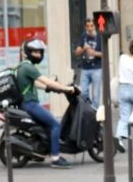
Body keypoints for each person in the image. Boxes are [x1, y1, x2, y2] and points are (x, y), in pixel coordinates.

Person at [15, 39, 77, 169]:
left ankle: (49, 148)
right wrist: (66, 88)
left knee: (48, 125)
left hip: (27, 103)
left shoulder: (22, 66)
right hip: (30, 104)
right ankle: (55, 158)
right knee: (55, 124)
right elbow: (46, 81)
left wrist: (51, 88)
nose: (38, 55)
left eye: (39, 52)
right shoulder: (28, 67)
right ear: (28, 52)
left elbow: (36, 84)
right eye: (35, 52)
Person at [73, 18, 102, 109]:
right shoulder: (83, 37)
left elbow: (104, 54)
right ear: (85, 27)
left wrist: (94, 53)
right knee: (83, 92)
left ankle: (95, 112)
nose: (90, 28)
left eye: (92, 26)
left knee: (96, 94)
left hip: (97, 69)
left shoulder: (99, 37)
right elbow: (76, 53)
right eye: (88, 26)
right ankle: (88, 108)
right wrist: (83, 48)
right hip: (85, 68)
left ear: (95, 26)